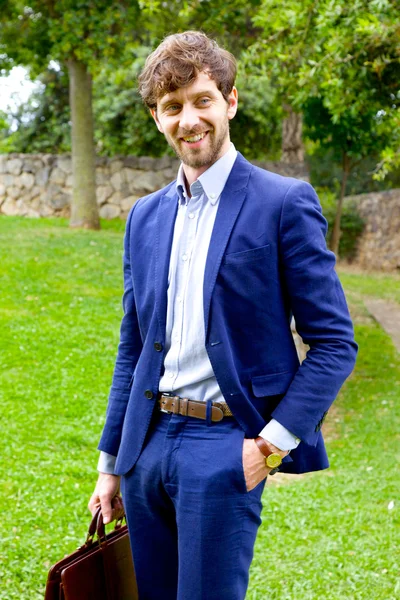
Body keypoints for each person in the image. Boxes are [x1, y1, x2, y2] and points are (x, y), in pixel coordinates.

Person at [89, 31, 357, 599]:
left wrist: (269, 447)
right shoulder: (143, 217)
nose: (189, 119)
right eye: (172, 107)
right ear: (157, 118)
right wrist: (112, 463)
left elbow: (334, 342)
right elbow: (133, 346)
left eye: (202, 100)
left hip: (226, 445)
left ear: (230, 101)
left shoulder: (283, 203)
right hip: (147, 446)